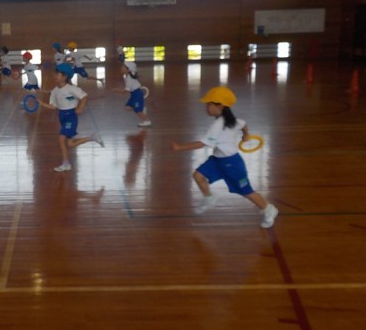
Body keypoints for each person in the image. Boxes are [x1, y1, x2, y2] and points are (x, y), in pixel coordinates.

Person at [171, 86, 278, 228]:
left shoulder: (218, 125)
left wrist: (180, 147)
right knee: (198, 176)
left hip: (232, 164)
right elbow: (243, 124)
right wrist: (246, 135)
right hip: (217, 160)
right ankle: (209, 198)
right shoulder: (232, 120)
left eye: (209, 104)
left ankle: (268, 209)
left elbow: (203, 144)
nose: (206, 107)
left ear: (220, 106)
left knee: (246, 191)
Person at [37, 63, 104, 172]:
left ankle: (66, 164)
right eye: (55, 74)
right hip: (62, 117)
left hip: (71, 117)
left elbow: (84, 96)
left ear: (64, 76)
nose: (55, 76)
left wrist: (80, 108)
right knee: (70, 143)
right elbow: (54, 106)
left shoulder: (71, 89)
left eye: (57, 74)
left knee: (61, 139)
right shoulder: (55, 91)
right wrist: (42, 104)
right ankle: (92, 138)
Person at [114, 62, 151, 127]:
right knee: (128, 107)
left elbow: (126, 90)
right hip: (133, 94)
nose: (121, 68)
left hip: (137, 94)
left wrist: (116, 90)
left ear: (128, 69)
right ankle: (142, 108)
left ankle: (146, 121)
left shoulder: (129, 78)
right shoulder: (129, 75)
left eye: (123, 67)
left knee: (137, 110)